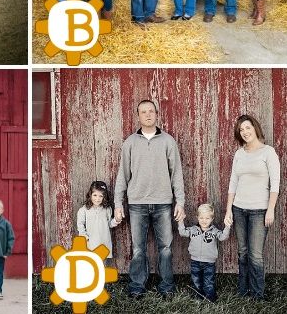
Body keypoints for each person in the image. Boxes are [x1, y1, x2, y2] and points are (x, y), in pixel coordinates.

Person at [114, 100, 185, 299]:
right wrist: (118, 203)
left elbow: (176, 174)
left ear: (156, 114)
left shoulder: (168, 141)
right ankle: (137, 287)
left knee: (166, 248)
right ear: (138, 116)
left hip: (163, 202)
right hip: (137, 204)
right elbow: (123, 175)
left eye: (151, 111)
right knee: (138, 249)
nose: (147, 115)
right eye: (143, 112)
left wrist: (180, 201)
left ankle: (167, 287)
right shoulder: (129, 143)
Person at [224, 115, 280, 301]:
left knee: (255, 255)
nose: (245, 132)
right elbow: (233, 182)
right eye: (241, 130)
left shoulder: (268, 152)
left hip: (259, 211)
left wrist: (270, 209)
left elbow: (275, 185)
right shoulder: (239, 153)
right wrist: (228, 209)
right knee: (243, 252)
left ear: (255, 128)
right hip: (239, 209)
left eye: (247, 128)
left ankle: (257, 295)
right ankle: (243, 291)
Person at [178, 203, 230, 302]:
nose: (204, 221)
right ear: (197, 217)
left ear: (212, 218)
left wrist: (227, 226)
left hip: (209, 263)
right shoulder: (193, 229)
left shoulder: (214, 231)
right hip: (195, 261)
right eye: (201, 218)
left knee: (209, 282)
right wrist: (180, 221)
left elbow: (223, 237)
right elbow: (182, 233)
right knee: (196, 281)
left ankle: (210, 299)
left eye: (207, 218)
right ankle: (197, 298)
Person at [77, 180, 119, 259]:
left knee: (101, 265)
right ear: (90, 195)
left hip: (103, 241)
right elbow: (80, 225)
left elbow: (109, 223)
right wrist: (85, 237)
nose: (97, 199)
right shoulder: (84, 210)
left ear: (104, 197)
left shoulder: (107, 209)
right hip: (90, 242)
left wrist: (116, 220)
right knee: (91, 263)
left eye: (101, 196)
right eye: (95, 195)